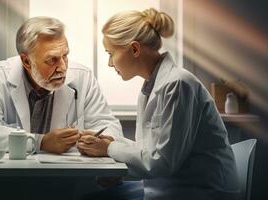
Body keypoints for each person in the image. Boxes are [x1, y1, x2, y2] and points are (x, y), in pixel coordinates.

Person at [77, 8, 239, 200]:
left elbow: (162, 162)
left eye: (110, 53)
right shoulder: (151, 87)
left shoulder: (178, 84)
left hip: (201, 192)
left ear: (135, 49)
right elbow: (150, 153)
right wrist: (110, 146)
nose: (110, 63)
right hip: (175, 186)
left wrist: (108, 149)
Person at [0, 16, 123, 154]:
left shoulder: (83, 77)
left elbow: (108, 125)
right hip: (14, 178)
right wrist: (40, 142)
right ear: (26, 61)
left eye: (65, 56)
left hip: (69, 178)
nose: (63, 67)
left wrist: (100, 141)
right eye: (52, 60)